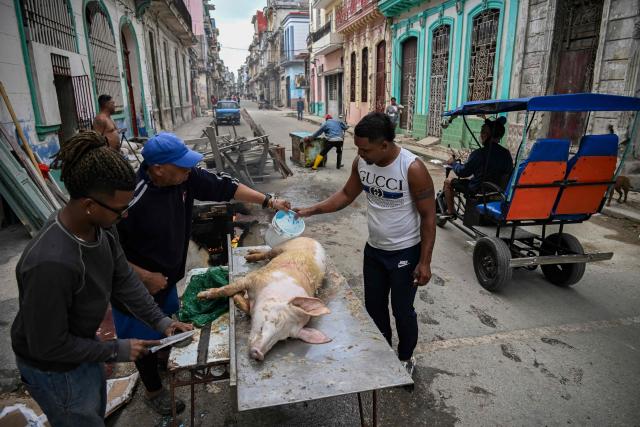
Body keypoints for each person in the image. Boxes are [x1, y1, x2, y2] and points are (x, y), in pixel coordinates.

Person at [10, 131, 193, 426]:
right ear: (89, 205)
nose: (124, 217)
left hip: (81, 346)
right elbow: (48, 346)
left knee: (92, 412)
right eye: (120, 210)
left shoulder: (102, 228)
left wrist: (162, 322)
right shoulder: (50, 263)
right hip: (54, 368)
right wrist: (118, 349)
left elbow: (124, 280)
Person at [112, 132, 291, 415]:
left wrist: (269, 201)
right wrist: (144, 277)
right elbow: (105, 252)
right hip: (133, 286)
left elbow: (226, 187)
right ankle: (153, 391)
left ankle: (159, 355)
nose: (188, 170)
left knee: (163, 322)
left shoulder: (184, 177)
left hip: (166, 279)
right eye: (181, 166)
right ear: (158, 168)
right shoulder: (130, 199)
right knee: (141, 339)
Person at [295, 112, 436, 377]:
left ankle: (405, 357)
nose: (360, 154)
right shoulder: (362, 163)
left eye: (365, 149)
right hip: (375, 251)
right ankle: (382, 349)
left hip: (405, 252)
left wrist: (425, 261)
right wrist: (312, 210)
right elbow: (347, 194)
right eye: (359, 148)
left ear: (384, 144)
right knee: (374, 307)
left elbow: (429, 217)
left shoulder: (412, 168)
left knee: (402, 311)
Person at [443, 116, 513, 216]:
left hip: (479, 190)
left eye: (483, 132)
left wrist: (454, 163)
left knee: (448, 182)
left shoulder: (479, 153)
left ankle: (450, 212)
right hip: (497, 191)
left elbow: (463, 172)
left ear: (487, 135)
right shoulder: (506, 154)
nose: (481, 134)